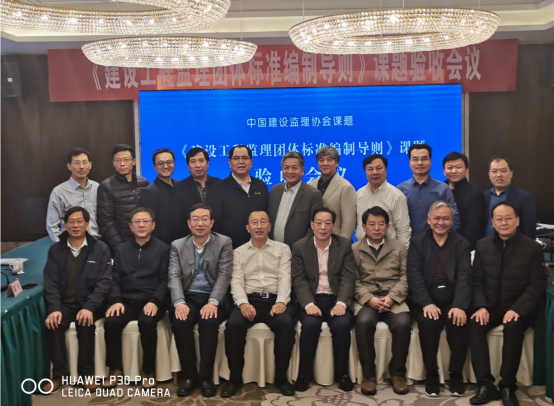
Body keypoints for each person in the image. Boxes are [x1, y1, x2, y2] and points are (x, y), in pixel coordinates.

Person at [469, 202, 546, 406]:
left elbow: (537, 285)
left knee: (513, 327)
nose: (504, 222)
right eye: (499, 219)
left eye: (508, 218)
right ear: (493, 222)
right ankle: (486, 385)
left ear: (517, 221)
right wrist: (481, 306)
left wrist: (517, 309)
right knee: (475, 324)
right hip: (491, 306)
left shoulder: (532, 248)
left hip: (519, 307)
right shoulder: (482, 245)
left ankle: (508, 386)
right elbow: (476, 281)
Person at [221, 210, 297, 398]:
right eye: (254, 223)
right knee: (233, 326)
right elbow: (236, 281)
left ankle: (281, 378)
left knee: (286, 324)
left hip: (275, 299)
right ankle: (235, 379)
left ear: (270, 226)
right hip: (249, 299)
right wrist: (243, 304)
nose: (259, 226)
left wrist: (281, 302)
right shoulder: (238, 252)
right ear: (248, 228)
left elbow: (285, 277)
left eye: (263, 222)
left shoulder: (282, 249)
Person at [42, 206, 111, 393]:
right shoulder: (55, 250)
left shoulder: (101, 249)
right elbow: (51, 282)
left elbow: (104, 282)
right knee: (53, 324)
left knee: (85, 323)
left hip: (90, 304)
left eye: (80, 221)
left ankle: (86, 375)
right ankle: (59, 375)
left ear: (87, 224)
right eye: (71, 222)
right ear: (64, 226)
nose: (75, 225)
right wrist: (54, 309)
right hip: (65, 304)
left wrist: (89, 307)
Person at [407, 201, 472, 397]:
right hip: (427, 298)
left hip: (453, 298)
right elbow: (414, 276)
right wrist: (426, 303)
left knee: (458, 321)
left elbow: (465, 277)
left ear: (452, 221)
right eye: (436, 218)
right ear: (428, 220)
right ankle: (432, 373)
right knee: (428, 322)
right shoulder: (417, 242)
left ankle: (456, 374)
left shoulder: (462, 244)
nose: (441, 222)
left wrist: (460, 305)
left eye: (445, 218)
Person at [168, 203, 233, 397]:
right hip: (187, 296)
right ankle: (189, 376)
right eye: (195, 219)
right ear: (189, 223)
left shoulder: (224, 242)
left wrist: (213, 302)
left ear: (212, 222)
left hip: (213, 297)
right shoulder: (178, 245)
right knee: (180, 322)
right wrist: (179, 302)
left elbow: (224, 275)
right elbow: (174, 275)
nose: (200, 223)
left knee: (208, 323)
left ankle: (205, 377)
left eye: (205, 219)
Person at [103, 207, 169, 389]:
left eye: (145, 221)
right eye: (137, 222)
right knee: (111, 321)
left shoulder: (163, 249)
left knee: (147, 322)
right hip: (125, 300)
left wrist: (155, 301)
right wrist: (116, 300)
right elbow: (114, 279)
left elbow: (166, 280)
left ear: (153, 225)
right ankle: (115, 369)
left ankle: (148, 370)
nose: (141, 225)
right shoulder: (121, 249)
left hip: (151, 300)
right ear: (130, 226)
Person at [292, 207, 357, 392]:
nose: (323, 227)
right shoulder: (300, 247)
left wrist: (341, 303)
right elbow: (298, 279)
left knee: (342, 325)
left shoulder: (344, 245)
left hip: (335, 299)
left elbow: (348, 278)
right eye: (319, 223)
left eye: (327, 223)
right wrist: (308, 304)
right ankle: (304, 375)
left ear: (333, 226)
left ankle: (343, 374)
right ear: (312, 225)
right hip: (312, 299)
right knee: (310, 325)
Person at [353, 206, 411, 396]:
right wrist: (369, 299)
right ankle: (369, 375)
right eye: (371, 224)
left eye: (381, 224)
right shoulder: (354, 249)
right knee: (363, 323)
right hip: (367, 299)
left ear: (387, 227)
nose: (376, 228)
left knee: (403, 323)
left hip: (393, 297)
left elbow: (405, 277)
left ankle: (397, 373)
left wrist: (391, 298)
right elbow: (353, 280)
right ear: (363, 227)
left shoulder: (399, 247)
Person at [206, 145, 269, 248]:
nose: (241, 162)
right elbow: (214, 225)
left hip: (260, 248)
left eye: (245, 158)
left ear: (251, 162)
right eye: (236, 158)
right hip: (230, 249)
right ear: (230, 162)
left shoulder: (261, 186)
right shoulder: (217, 189)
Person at [398, 143, 460, 235]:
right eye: (415, 159)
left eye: (424, 159)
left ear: (430, 162)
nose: (420, 163)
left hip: (436, 241)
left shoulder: (443, 189)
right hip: (408, 241)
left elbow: (454, 218)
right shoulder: (400, 189)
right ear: (409, 162)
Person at [97, 144, 149, 255]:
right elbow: (105, 222)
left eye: (126, 160)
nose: (122, 164)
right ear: (113, 163)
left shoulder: (144, 183)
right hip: (120, 247)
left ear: (134, 161)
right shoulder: (106, 186)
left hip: (144, 243)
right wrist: (120, 248)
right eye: (118, 160)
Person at [269, 151, 323, 247]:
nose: (290, 171)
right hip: (273, 250)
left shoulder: (313, 194)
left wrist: (300, 248)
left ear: (302, 170)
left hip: (298, 251)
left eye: (294, 168)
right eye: (286, 168)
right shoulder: (274, 191)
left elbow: (314, 227)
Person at [355, 154, 411, 247]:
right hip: (361, 250)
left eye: (379, 168)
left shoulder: (397, 196)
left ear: (385, 169)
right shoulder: (359, 194)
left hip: (388, 251)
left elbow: (403, 230)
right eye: (370, 169)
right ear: (365, 171)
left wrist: (402, 253)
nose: (374, 172)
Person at [47, 147, 100, 241]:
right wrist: (61, 245)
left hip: (97, 241)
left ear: (90, 165)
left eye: (85, 162)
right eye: (77, 163)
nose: (81, 166)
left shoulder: (97, 187)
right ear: (69, 166)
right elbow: (52, 225)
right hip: (71, 243)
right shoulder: (59, 191)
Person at [171, 147, 222, 240]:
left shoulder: (219, 184)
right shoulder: (179, 187)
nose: (198, 165)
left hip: (217, 239)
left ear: (208, 163)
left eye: (201, 161)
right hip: (189, 240)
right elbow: (176, 219)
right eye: (193, 161)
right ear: (188, 165)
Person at [307, 146, 357, 241]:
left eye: (329, 160)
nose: (325, 163)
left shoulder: (346, 187)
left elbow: (349, 222)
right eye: (321, 160)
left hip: (335, 242)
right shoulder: (310, 185)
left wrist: (342, 245)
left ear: (337, 163)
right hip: (313, 241)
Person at [484, 156, 537, 239]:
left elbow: (529, 230)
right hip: (486, 244)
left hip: (513, 245)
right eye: (494, 171)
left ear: (511, 173)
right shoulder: (483, 196)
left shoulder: (524, 197)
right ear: (489, 174)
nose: (499, 175)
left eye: (503, 171)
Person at [443, 152, 487, 251]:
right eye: (450, 167)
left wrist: (460, 250)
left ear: (466, 170)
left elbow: (473, 230)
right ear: (444, 171)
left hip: (463, 249)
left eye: (458, 167)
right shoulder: (439, 191)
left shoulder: (475, 195)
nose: (454, 171)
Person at [138, 148, 177, 245]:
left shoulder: (181, 187)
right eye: (161, 163)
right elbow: (147, 225)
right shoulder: (148, 192)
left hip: (182, 246)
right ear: (154, 166)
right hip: (161, 246)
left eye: (169, 162)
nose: (166, 166)